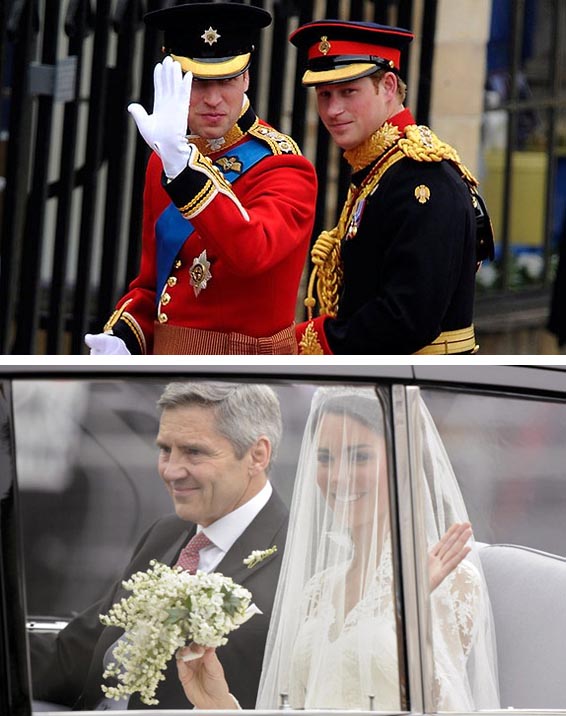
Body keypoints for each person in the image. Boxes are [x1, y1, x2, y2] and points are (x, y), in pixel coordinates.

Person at [176, 386, 500, 710]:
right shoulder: (319, 590)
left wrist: (409, 612)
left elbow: (447, 707)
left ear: (403, 463)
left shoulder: (451, 580)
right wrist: (219, 704)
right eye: (325, 459)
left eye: (359, 456)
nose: (338, 477)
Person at [30, 382, 289, 710]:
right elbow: (73, 657)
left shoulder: (294, 559)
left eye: (194, 452)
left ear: (257, 454)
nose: (170, 470)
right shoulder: (167, 533)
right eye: (165, 449)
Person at [84, 3, 317, 355]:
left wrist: (183, 171)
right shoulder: (165, 160)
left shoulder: (283, 166)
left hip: (242, 381)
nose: (212, 99)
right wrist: (124, 336)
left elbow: (253, 253)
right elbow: (154, 286)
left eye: (226, 81)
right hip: (167, 374)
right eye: (196, 82)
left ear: (246, 78)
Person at [289, 20, 493, 355]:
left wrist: (314, 339)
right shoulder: (380, 168)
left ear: (387, 86)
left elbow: (407, 319)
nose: (333, 110)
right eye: (324, 95)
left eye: (348, 92)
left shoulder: (421, 178)